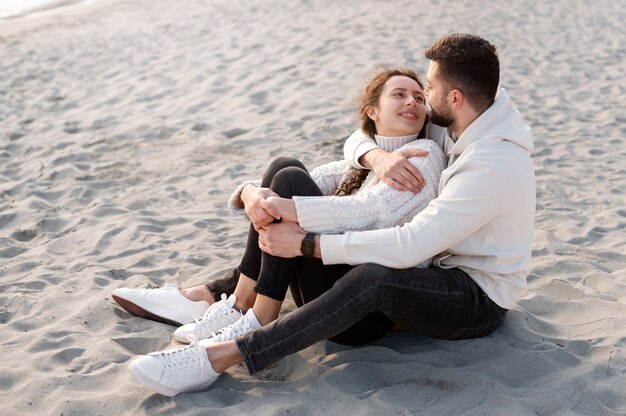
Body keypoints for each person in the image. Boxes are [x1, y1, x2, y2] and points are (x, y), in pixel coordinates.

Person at [127, 33, 536, 397]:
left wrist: (308, 243)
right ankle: (224, 299)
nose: (421, 99)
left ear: (455, 98)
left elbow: (411, 244)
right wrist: (373, 156)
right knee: (288, 172)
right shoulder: (463, 117)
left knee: (373, 276)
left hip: (476, 297)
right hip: (435, 266)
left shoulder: (490, 165)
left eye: (427, 88)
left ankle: (222, 354)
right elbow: (364, 132)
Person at [113, 67, 446, 347]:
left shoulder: (425, 154)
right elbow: (301, 179)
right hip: (328, 293)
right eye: (399, 94)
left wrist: (281, 205)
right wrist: (250, 194)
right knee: (286, 168)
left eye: (419, 97)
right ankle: (239, 305)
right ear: (372, 111)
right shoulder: (363, 162)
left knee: (287, 182)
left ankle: (249, 310)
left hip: (361, 310)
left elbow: (367, 212)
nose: (412, 102)